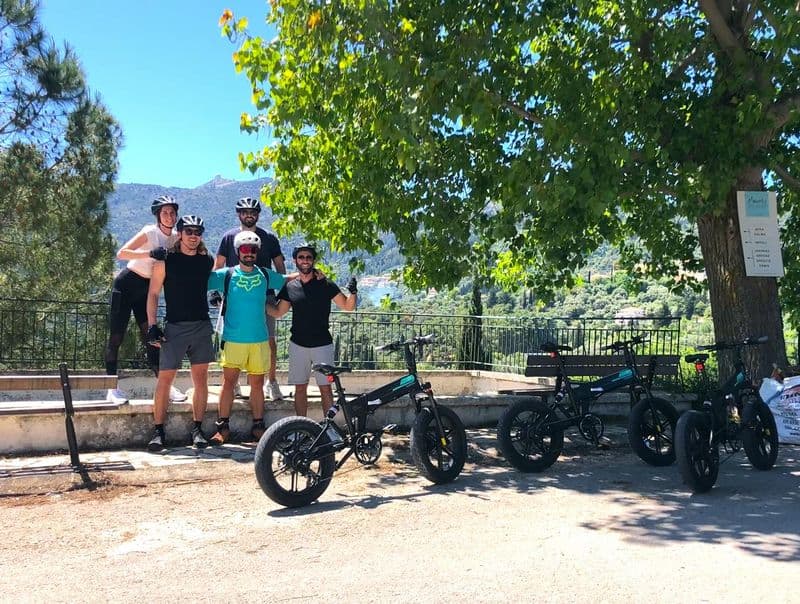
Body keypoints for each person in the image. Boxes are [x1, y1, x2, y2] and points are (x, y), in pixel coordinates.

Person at [105, 195, 187, 405]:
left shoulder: (176, 237)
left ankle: (166, 386)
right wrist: (150, 252)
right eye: (165, 212)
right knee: (116, 337)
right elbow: (122, 253)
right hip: (126, 284)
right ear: (158, 215)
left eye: (172, 212)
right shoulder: (150, 232)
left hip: (147, 290)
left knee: (152, 336)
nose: (169, 216)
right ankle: (110, 388)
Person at [206, 231, 286, 443]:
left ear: (257, 252)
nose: (249, 253)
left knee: (258, 384)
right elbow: (200, 279)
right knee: (228, 383)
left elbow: (287, 280)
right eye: (244, 249)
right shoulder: (227, 274)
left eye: (252, 250)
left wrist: (310, 273)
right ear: (237, 251)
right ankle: (222, 427)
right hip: (233, 339)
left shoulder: (266, 275)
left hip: (259, 340)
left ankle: (258, 426)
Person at [145, 215, 215, 451]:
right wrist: (152, 325)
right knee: (165, 380)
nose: (193, 236)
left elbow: (211, 285)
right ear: (180, 233)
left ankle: (197, 429)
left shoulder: (207, 261)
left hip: (201, 325)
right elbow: (153, 293)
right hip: (174, 327)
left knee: (201, 381)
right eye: (189, 231)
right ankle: (158, 431)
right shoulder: (166, 260)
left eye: (197, 232)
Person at [269, 244, 357, 417]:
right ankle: (302, 428)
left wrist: (353, 292)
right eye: (301, 257)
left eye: (308, 257)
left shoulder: (326, 284)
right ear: (295, 260)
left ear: (313, 261)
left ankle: (329, 430)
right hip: (298, 345)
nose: (305, 261)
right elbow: (278, 311)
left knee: (325, 389)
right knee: (300, 389)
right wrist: (257, 303)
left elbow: (347, 306)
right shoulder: (290, 287)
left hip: (322, 344)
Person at [215, 196, 286, 401]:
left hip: (265, 298)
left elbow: (280, 267)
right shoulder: (228, 237)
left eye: (253, 212)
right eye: (245, 212)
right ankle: (233, 383)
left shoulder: (269, 237)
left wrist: (282, 292)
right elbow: (218, 265)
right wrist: (215, 294)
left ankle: (271, 382)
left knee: (270, 341)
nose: (249, 215)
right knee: (229, 340)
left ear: (257, 215)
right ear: (239, 214)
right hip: (235, 298)